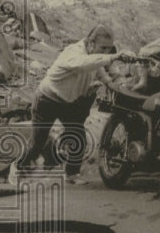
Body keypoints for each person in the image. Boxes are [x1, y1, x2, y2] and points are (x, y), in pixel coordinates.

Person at [10, 25, 131, 186]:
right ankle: (17, 167)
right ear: (90, 43)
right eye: (103, 48)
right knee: (38, 142)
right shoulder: (73, 52)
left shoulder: (94, 58)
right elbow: (80, 64)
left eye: (109, 49)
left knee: (78, 136)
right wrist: (113, 57)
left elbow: (100, 71)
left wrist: (115, 83)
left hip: (69, 102)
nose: (106, 52)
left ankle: (72, 174)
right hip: (47, 100)